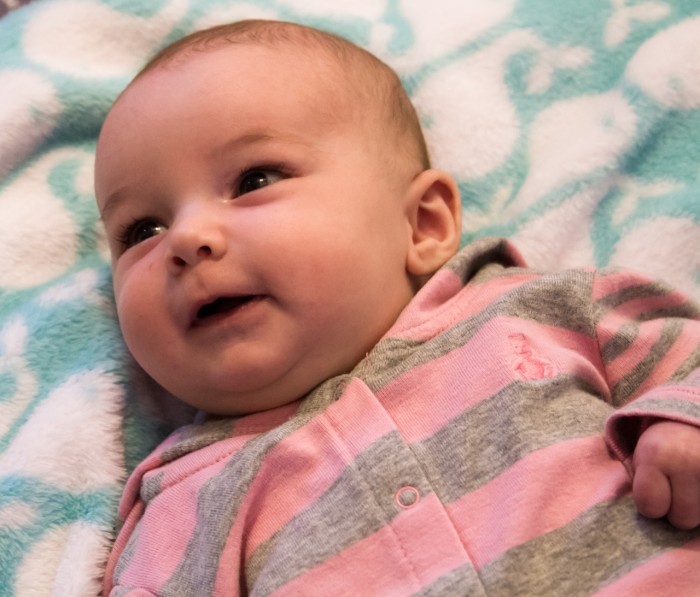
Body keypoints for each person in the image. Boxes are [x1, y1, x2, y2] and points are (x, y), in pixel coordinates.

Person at [95, 19, 700, 596]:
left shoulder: (539, 313)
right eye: (141, 229)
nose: (185, 239)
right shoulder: (184, 502)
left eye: (255, 180)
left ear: (421, 223)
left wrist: (682, 423)